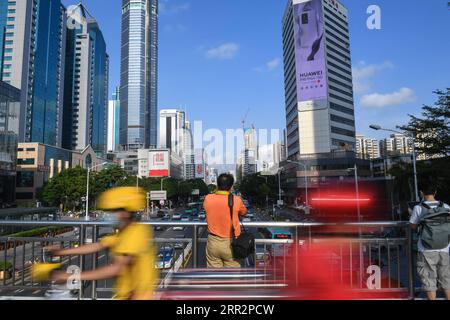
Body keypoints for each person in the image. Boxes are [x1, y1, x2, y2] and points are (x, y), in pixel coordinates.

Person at [46, 187, 159, 300]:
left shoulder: (136, 233)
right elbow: (98, 245)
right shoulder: (123, 233)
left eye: (114, 211)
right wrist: (61, 251)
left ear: (126, 213)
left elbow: (117, 268)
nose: (109, 215)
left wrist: (71, 276)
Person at [409, 184, 450, 300]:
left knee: (428, 280)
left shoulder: (418, 208)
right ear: (435, 192)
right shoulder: (446, 206)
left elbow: (413, 226)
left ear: (421, 193)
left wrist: (410, 213)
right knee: (446, 279)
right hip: (444, 247)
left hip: (426, 249)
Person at [203, 174, 247, 268]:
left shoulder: (208, 198)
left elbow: (207, 210)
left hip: (213, 242)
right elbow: (244, 212)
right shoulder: (236, 200)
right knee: (232, 277)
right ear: (231, 187)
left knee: (215, 277)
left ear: (217, 185)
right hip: (231, 243)